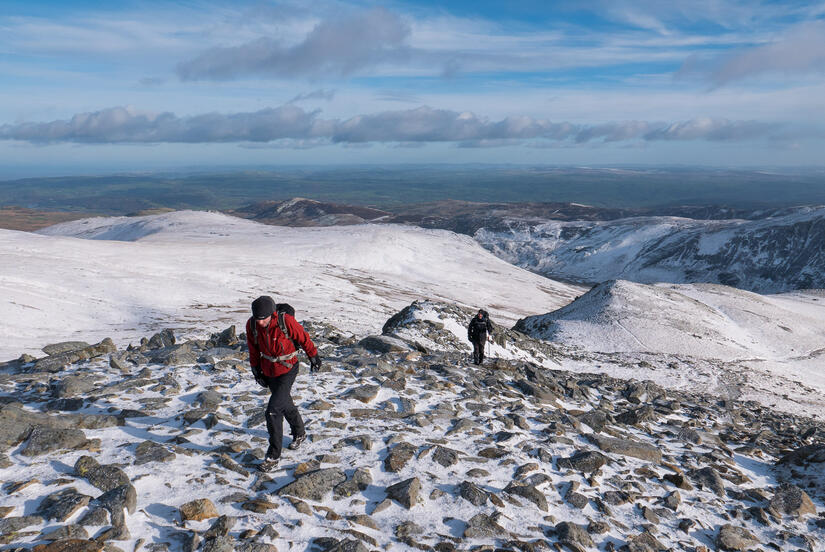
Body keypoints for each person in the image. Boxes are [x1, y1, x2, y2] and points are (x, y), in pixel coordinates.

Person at [246, 295, 322, 471]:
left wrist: (313, 356)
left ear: (272, 314)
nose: (261, 323)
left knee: (273, 411)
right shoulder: (252, 325)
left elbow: (304, 338)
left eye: (264, 319)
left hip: (288, 369)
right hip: (269, 371)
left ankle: (273, 456)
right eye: (258, 319)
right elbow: (253, 349)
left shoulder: (285, 321)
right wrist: (255, 369)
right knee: (284, 403)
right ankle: (300, 433)